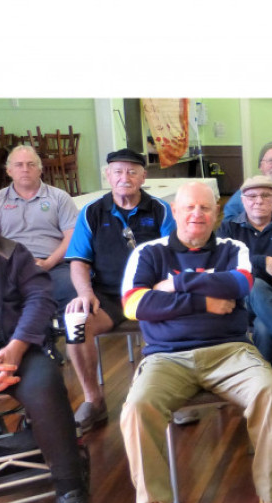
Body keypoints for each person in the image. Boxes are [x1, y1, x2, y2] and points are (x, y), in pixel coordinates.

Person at [118, 181, 272, 503]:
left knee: (270, 389)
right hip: (166, 356)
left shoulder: (234, 249)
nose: (197, 215)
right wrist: (202, 300)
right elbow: (134, 305)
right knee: (137, 406)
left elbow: (241, 283)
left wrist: (177, 284)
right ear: (176, 212)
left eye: (204, 208)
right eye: (189, 208)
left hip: (229, 351)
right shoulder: (149, 253)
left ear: (216, 212)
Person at [0, 190, 95, 503]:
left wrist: (15, 350)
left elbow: (39, 299)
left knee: (45, 385)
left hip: (18, 349)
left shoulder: (11, 253)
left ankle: (70, 490)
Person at [64, 148, 176, 433]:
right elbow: (78, 260)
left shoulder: (160, 209)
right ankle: (94, 401)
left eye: (131, 171)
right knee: (75, 325)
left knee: (181, 319)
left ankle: (175, 398)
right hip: (108, 296)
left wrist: (168, 285)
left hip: (152, 292)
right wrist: (85, 293)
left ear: (143, 176)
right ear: (107, 175)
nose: (124, 177)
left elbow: (177, 254)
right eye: (118, 171)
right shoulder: (92, 211)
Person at [218, 175, 272, 375]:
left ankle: (271, 387)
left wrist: (248, 265)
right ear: (242, 200)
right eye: (252, 196)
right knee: (253, 285)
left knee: (264, 328)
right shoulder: (228, 228)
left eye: (266, 195)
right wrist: (265, 261)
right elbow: (224, 266)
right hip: (241, 301)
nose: (259, 200)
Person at [0, 145, 78, 313]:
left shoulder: (59, 198)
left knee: (72, 287)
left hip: (54, 265)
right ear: (9, 171)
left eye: (31, 164)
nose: (25, 169)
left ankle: (67, 337)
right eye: (19, 165)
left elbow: (73, 237)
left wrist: (48, 263)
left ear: (40, 170)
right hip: (9, 267)